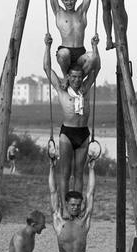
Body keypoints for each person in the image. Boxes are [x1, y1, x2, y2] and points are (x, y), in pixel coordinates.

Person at [43, 30, 101, 197]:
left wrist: (94, 47)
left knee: (79, 173)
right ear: (68, 77)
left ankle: (76, 203)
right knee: (65, 172)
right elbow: (47, 68)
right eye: (73, 77)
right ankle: (63, 205)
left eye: (79, 77)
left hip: (83, 133)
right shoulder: (62, 90)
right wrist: (47, 47)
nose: (76, 80)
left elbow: (97, 67)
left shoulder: (85, 88)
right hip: (67, 133)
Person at [49, 156, 97, 252]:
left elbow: (90, 193)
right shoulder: (58, 220)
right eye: (72, 205)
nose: (75, 207)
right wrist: (52, 167)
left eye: (78, 205)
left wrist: (91, 168)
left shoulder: (84, 221)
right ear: (67, 204)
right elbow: (53, 191)